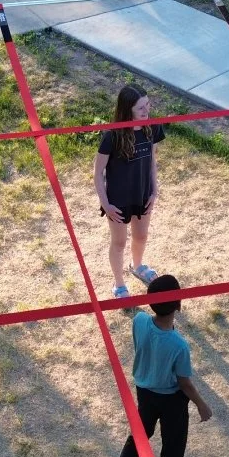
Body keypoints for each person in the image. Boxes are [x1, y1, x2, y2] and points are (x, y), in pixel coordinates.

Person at [111, 274, 212, 457]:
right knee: (173, 440)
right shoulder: (179, 345)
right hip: (171, 399)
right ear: (179, 304)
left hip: (144, 391)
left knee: (141, 431)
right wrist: (202, 405)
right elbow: (184, 383)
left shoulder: (139, 320)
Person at [94, 85, 165, 299]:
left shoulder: (152, 127)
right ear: (127, 110)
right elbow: (98, 173)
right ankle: (119, 285)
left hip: (143, 194)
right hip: (118, 200)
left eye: (148, 105)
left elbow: (152, 161)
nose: (147, 111)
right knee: (119, 243)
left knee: (141, 236)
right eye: (141, 108)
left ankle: (138, 266)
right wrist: (106, 204)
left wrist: (154, 190)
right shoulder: (112, 136)